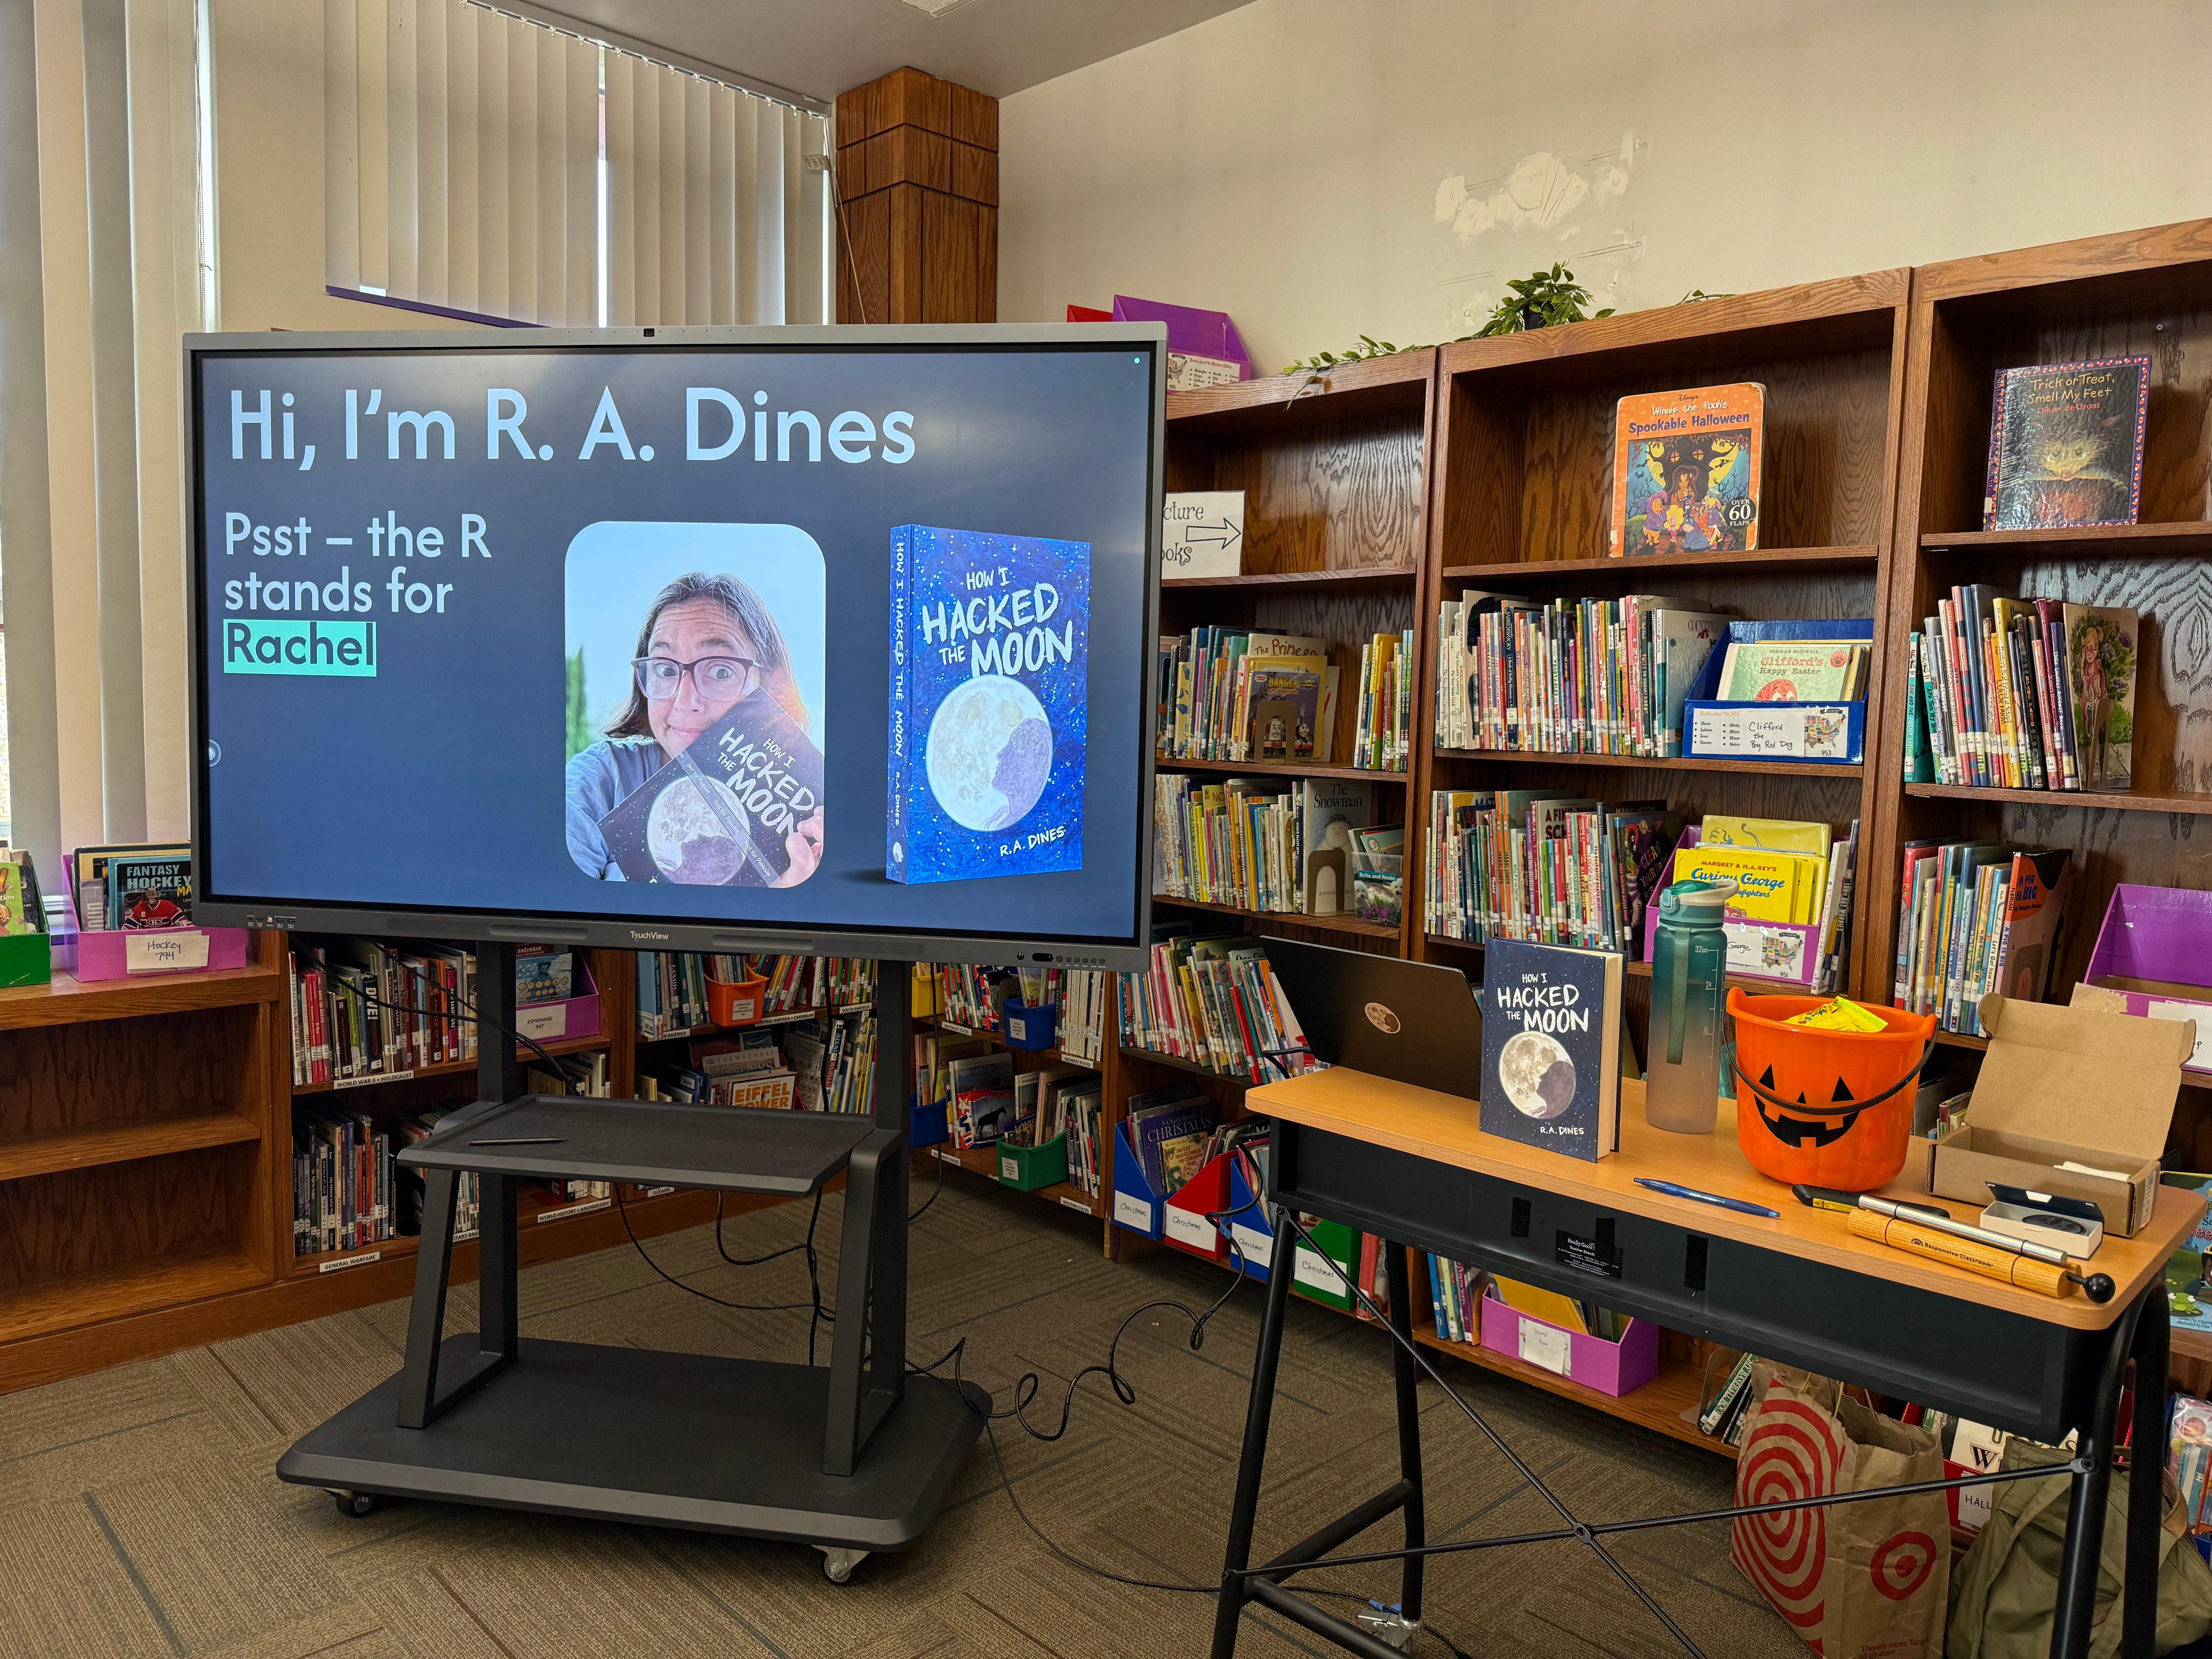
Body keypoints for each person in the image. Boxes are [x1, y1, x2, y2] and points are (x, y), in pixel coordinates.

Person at [566, 572, 823, 883]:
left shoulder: (813, 820)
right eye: (664, 668)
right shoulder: (600, 780)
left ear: (769, 687)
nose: (685, 701)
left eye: (720, 671)